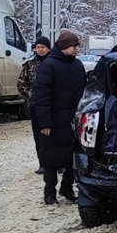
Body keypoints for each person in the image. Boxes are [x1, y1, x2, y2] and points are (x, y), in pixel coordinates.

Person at [32, 29, 87, 205]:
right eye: (74, 46)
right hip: (54, 120)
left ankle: (67, 188)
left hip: (73, 120)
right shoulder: (48, 65)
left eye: (77, 46)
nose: (77, 49)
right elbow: (42, 97)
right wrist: (44, 122)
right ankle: (50, 192)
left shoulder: (78, 65)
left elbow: (84, 92)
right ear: (64, 46)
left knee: (72, 157)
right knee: (51, 157)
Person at [18, 35, 52, 174]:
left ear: (48, 48)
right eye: (38, 47)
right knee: (39, 136)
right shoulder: (30, 65)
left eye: (43, 47)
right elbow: (21, 84)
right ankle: (43, 163)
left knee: (55, 136)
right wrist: (32, 96)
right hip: (36, 105)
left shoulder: (54, 63)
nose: (40, 50)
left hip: (52, 105)